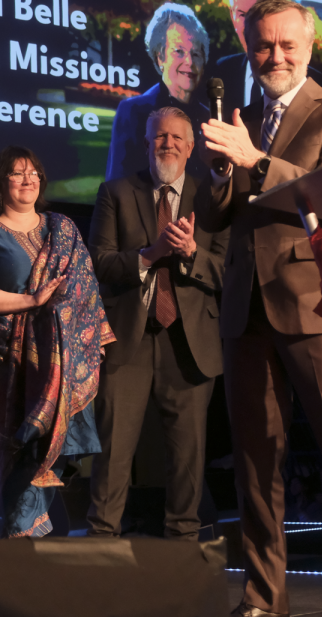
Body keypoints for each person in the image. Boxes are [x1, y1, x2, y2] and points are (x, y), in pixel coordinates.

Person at [200, 0, 322, 617]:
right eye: (262, 46)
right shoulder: (241, 116)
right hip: (244, 306)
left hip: (314, 303)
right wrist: (222, 171)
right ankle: (263, 599)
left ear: (311, 47)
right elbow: (217, 217)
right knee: (254, 464)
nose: (274, 56)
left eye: (286, 45)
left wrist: (254, 160)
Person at [87, 107, 228, 541]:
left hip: (188, 343)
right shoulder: (116, 192)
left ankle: (184, 542)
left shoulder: (212, 198)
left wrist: (190, 254)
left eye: (175, 138)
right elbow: (100, 263)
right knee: (113, 451)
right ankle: (101, 540)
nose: (166, 144)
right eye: (158, 137)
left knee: (188, 454)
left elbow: (227, 268)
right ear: (147, 144)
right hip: (128, 340)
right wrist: (148, 254)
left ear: (191, 148)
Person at [0, 147, 115, 537]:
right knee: (13, 451)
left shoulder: (61, 229)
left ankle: (33, 538)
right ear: (1, 182)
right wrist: (32, 301)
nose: (28, 180)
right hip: (6, 363)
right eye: (17, 173)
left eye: (34, 173)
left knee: (46, 451)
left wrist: (88, 339)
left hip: (59, 366)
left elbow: (86, 291)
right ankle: (11, 543)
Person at [107, 2, 212, 181]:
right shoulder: (133, 112)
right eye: (179, 51)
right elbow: (116, 188)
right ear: (160, 57)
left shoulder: (209, 119)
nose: (189, 62)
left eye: (196, 54)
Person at [213, 0, 322, 115]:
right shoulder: (221, 70)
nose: (248, 26)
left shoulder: (321, 83)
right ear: (232, 17)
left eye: (257, 14)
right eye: (242, 15)